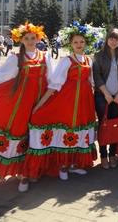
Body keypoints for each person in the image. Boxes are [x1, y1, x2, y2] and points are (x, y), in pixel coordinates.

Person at [22, 24, 99, 191]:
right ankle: (63, 165)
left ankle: (73, 163)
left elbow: (92, 82)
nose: (79, 44)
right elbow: (55, 84)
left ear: (86, 43)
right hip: (67, 99)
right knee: (67, 129)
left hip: (85, 100)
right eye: (76, 41)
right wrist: (41, 104)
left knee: (78, 129)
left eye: (82, 41)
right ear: (70, 43)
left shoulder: (89, 60)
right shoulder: (66, 60)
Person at [0, 22, 54, 188]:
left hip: (41, 101)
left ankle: (35, 169)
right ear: (21, 40)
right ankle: (23, 174)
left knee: (37, 135)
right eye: (26, 38)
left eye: (33, 38)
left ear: (38, 38)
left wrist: (45, 102)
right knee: (21, 133)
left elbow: (53, 81)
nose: (30, 41)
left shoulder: (45, 56)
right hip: (21, 103)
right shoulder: (16, 58)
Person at [93, 29, 118, 169]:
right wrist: (106, 93)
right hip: (102, 96)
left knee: (115, 125)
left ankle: (112, 154)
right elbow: (97, 75)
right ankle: (103, 155)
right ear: (107, 40)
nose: (114, 42)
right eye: (111, 39)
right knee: (104, 125)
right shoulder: (99, 55)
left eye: (116, 39)